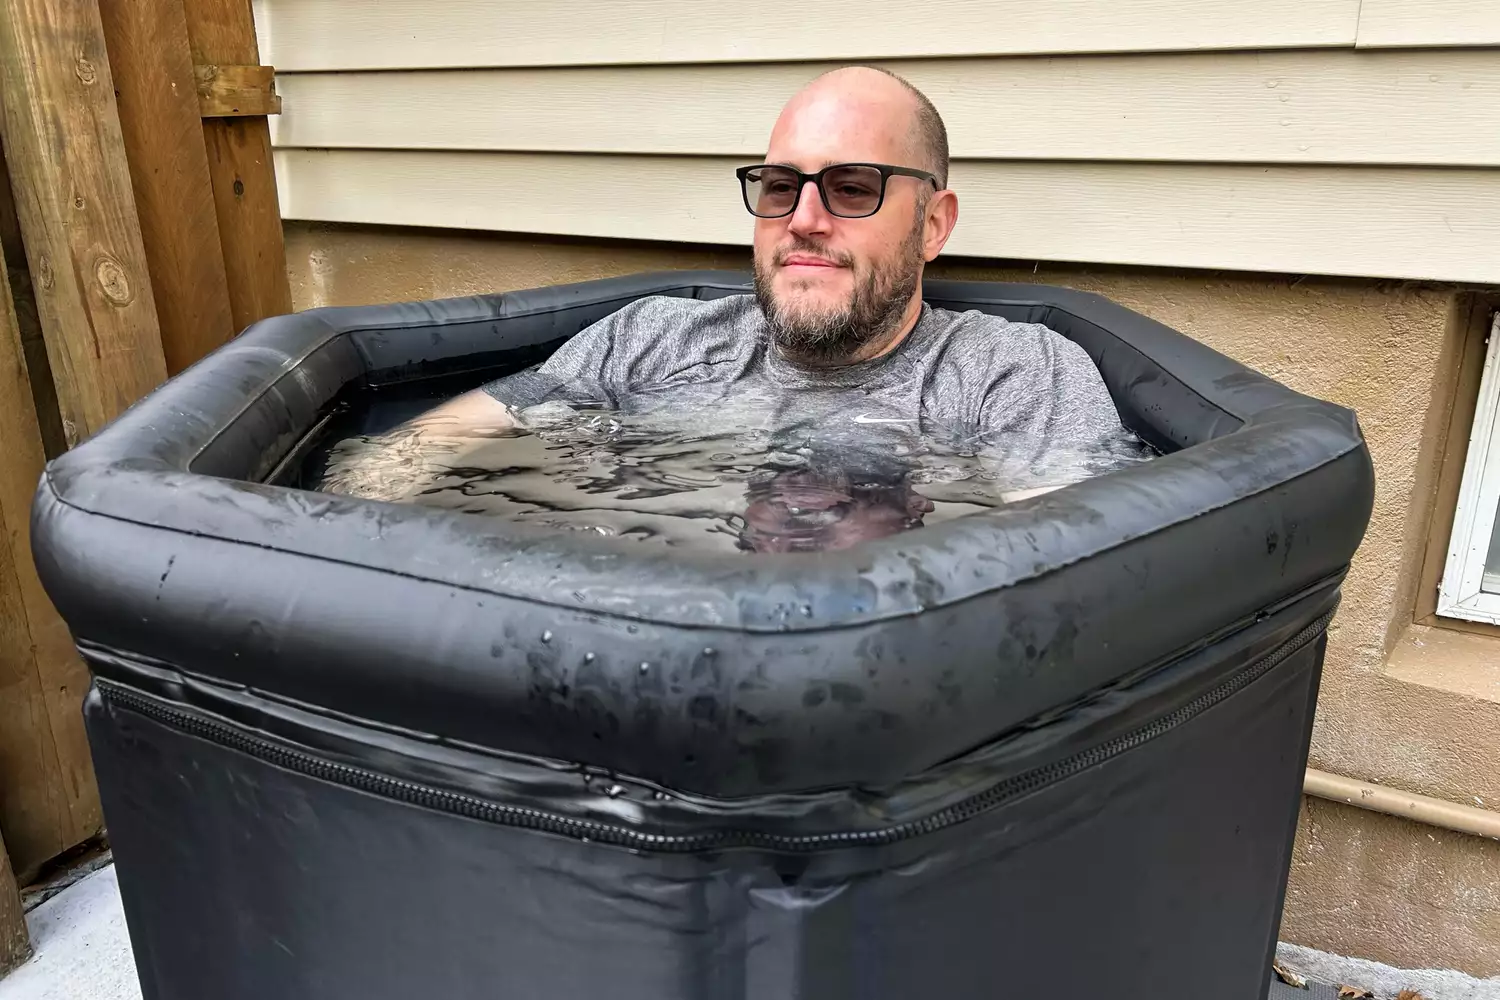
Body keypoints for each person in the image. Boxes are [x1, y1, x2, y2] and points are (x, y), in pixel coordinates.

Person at [387, 65, 1138, 474]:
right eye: (781, 187)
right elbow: (403, 456)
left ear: (932, 225)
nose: (803, 219)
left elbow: (1071, 597)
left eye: (852, 188)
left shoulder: (1012, 376)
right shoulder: (650, 341)